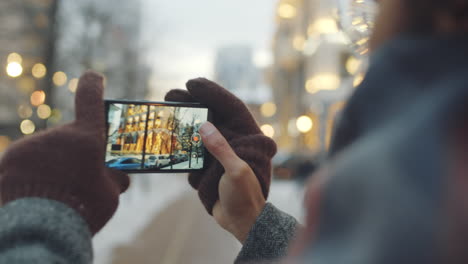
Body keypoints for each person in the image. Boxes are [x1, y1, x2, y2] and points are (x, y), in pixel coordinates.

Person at [0, 0, 468, 263]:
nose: (364, 31)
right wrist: (255, 222)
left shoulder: (435, 186)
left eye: (365, 11)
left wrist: (41, 210)